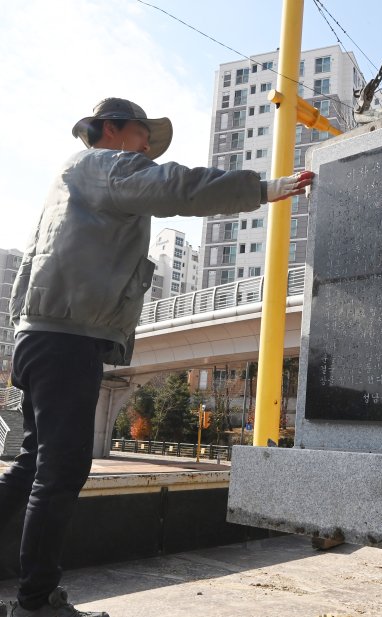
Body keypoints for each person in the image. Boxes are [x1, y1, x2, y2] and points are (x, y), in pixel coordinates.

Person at [0, 98, 313, 617]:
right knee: (61, 470)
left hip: (40, 336)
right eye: (144, 136)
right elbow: (177, 186)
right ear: (114, 130)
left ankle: (33, 595)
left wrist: (20, 338)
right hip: (67, 339)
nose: (147, 148)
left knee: (33, 463)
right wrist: (262, 189)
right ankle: (36, 602)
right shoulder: (105, 166)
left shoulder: (66, 184)